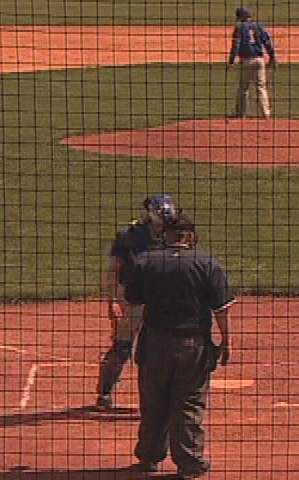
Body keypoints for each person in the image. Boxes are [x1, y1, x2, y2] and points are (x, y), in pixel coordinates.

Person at [125, 213, 233, 478]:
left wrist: (128, 340)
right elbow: (220, 310)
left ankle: (149, 459)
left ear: (166, 235)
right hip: (192, 346)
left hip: (154, 344)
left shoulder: (146, 261)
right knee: (189, 403)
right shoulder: (207, 263)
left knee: (153, 403)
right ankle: (189, 464)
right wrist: (227, 341)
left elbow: (134, 308)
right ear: (190, 237)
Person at [95, 193, 180, 409]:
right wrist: (112, 301)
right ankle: (104, 392)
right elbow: (113, 270)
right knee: (122, 347)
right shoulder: (129, 236)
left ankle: (162, 397)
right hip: (132, 298)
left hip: (162, 299)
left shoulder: (175, 234)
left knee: (163, 347)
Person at [228, 6, 277, 118]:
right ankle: (266, 114)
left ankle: (240, 114)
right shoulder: (259, 27)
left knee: (244, 88)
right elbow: (267, 43)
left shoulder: (239, 28)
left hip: (246, 61)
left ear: (240, 17)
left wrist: (231, 61)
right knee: (261, 87)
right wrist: (273, 57)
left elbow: (236, 46)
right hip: (260, 60)